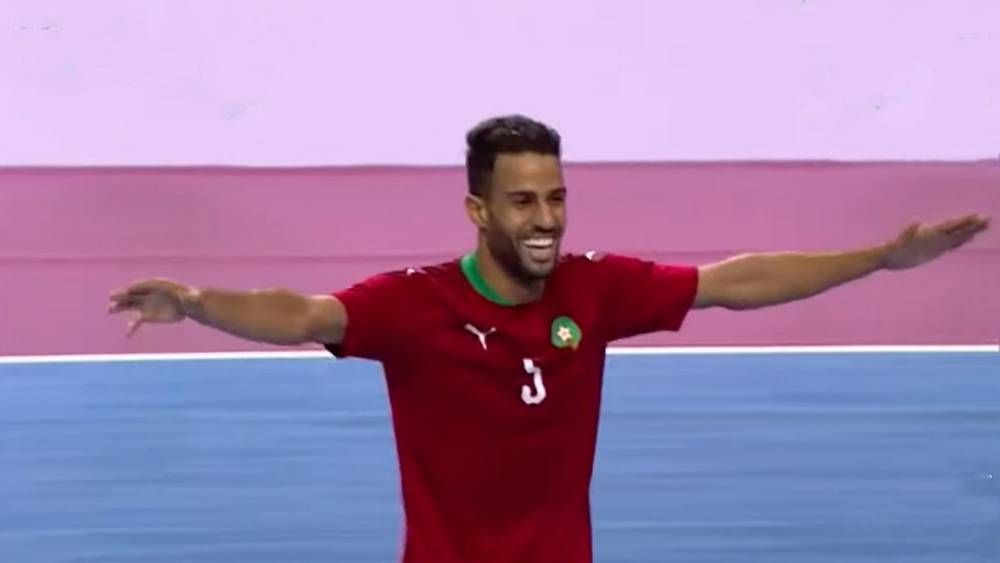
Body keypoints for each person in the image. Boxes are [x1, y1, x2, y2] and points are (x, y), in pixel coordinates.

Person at [108, 115, 990, 562]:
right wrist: (196, 301)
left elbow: (737, 282)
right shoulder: (414, 305)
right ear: (478, 208)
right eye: (524, 201)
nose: (546, 219)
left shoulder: (595, 289)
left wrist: (882, 258)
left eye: (557, 197)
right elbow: (303, 316)